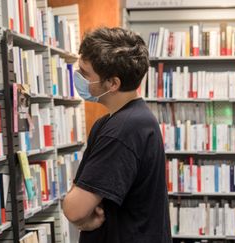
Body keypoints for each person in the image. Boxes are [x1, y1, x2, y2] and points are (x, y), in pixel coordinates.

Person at [62, 27, 172, 243]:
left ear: (113, 83)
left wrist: (81, 216)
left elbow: (74, 208)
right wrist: (83, 214)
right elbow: (82, 191)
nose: (78, 78)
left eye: (85, 74)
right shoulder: (115, 122)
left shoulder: (123, 130)